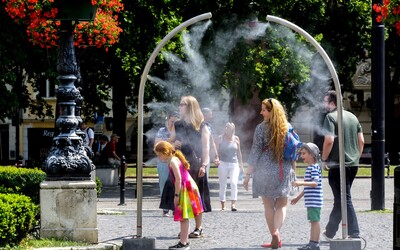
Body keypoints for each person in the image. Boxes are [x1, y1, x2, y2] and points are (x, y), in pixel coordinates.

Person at [243, 98, 296, 249]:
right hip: (283, 168)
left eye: (264, 110)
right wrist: (294, 173)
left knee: (268, 205)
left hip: (264, 170)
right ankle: (277, 232)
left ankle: (274, 235)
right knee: (282, 204)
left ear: (272, 111)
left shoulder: (261, 128)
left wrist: (247, 175)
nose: (261, 112)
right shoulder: (287, 126)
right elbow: (293, 152)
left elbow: (255, 152)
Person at [321, 90, 364, 240]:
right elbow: (362, 141)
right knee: (341, 200)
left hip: (338, 165)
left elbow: (329, 140)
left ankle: (354, 232)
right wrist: (355, 157)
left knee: (344, 199)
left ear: (332, 103)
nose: (324, 104)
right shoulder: (353, 117)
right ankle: (330, 232)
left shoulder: (330, 117)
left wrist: (324, 159)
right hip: (353, 164)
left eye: (325, 101)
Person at [170, 95, 211, 239]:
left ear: (190, 107)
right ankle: (184, 229)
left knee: (196, 195)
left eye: (183, 104)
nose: (180, 106)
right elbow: (170, 142)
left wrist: (204, 165)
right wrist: (172, 145)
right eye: (180, 104)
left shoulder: (202, 125)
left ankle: (199, 227)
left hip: (196, 164)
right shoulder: (178, 124)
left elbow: (206, 148)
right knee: (182, 196)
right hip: (182, 164)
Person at [155, 140, 203, 250]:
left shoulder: (172, 161)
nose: (159, 157)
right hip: (189, 188)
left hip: (185, 189)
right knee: (184, 217)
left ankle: (183, 243)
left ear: (165, 152)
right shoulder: (175, 158)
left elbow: (178, 179)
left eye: (159, 155)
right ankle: (184, 241)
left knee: (183, 217)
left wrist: (176, 195)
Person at [291, 143, 323, 250]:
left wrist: (300, 183)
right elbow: (308, 188)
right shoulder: (311, 167)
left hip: (314, 201)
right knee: (313, 221)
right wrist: (298, 198)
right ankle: (312, 243)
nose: (301, 156)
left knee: (315, 221)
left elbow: (315, 183)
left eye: (304, 153)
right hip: (311, 201)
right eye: (301, 153)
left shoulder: (313, 168)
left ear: (312, 155)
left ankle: (315, 243)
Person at [154, 111, 180, 217]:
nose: (173, 123)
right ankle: (165, 208)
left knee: (177, 184)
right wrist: (171, 142)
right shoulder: (162, 130)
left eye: (175, 122)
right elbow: (157, 145)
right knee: (164, 184)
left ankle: (175, 207)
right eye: (172, 121)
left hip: (176, 161)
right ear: (168, 119)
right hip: (164, 162)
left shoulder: (181, 131)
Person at [215, 122, 244, 211]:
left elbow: (239, 152)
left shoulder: (236, 139)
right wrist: (216, 159)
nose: (227, 130)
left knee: (233, 182)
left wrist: (241, 165)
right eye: (226, 128)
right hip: (223, 163)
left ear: (233, 130)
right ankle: (223, 204)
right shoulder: (220, 138)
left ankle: (233, 204)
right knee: (223, 184)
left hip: (234, 163)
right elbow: (216, 151)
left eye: (230, 128)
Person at [201, 107, 219, 178]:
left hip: (206, 156)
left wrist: (216, 156)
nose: (211, 116)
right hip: (197, 154)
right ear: (204, 115)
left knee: (205, 177)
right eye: (210, 114)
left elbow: (212, 142)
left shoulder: (209, 126)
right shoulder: (196, 124)